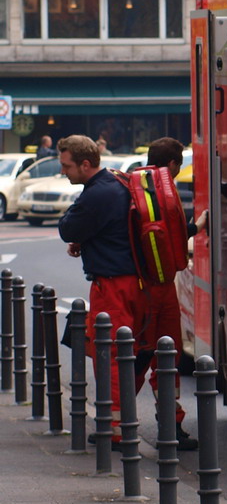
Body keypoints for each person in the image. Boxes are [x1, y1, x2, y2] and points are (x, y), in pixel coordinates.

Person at [56, 135, 150, 448]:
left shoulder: (96, 194)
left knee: (108, 354)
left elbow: (68, 227)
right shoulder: (117, 183)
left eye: (67, 166)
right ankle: (122, 419)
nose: (64, 171)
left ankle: (117, 428)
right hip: (132, 280)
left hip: (112, 284)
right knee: (123, 352)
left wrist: (73, 226)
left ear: (85, 164)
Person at [134, 137, 208, 451]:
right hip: (161, 289)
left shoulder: (134, 187)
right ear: (174, 165)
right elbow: (174, 241)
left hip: (139, 284)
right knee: (166, 357)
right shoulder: (166, 192)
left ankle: (113, 420)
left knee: (140, 355)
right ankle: (170, 424)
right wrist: (197, 227)